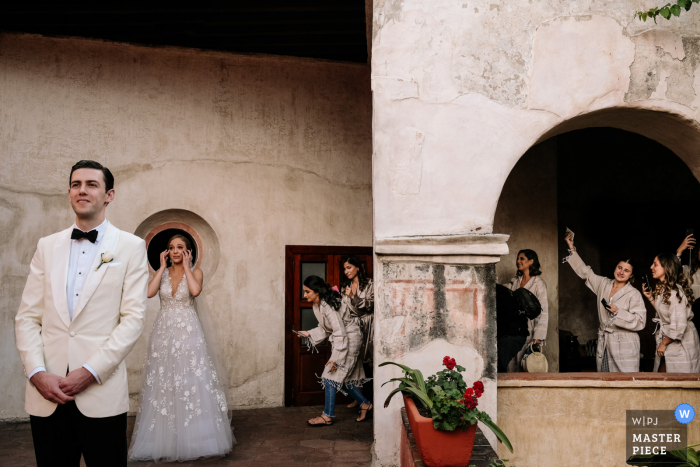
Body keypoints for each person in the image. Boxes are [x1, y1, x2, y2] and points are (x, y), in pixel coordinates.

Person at [15, 160, 149, 467]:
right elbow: (27, 317)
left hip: (99, 391)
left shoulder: (129, 247)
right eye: (76, 184)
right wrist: (36, 374)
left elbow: (132, 319)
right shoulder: (47, 246)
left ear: (109, 195)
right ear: (69, 192)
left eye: (92, 184)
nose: (82, 190)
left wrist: (90, 371)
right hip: (47, 392)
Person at [128, 234, 234, 461]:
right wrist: (160, 268)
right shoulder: (163, 273)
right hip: (164, 334)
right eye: (171, 248)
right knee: (165, 381)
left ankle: (195, 439)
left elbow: (195, 291)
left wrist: (186, 266)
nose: (175, 251)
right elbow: (148, 293)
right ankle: (166, 439)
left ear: (188, 251)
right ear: (166, 252)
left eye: (180, 247)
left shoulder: (196, 272)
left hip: (188, 333)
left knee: (190, 381)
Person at [564, 232, 646, 372]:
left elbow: (640, 321)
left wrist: (619, 312)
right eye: (619, 267)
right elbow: (586, 273)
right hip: (605, 341)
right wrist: (572, 248)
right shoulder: (603, 284)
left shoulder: (633, 294)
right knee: (605, 380)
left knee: (625, 383)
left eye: (626, 270)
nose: (621, 272)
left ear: (631, 275)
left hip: (625, 343)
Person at [297, 275, 372, 425]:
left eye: (307, 291)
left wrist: (335, 359)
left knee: (330, 375)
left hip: (350, 340)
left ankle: (327, 415)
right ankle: (365, 404)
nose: (305, 295)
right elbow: (326, 328)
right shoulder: (318, 305)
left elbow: (339, 332)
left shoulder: (329, 306)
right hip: (344, 339)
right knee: (343, 379)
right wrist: (310, 333)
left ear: (317, 291)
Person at [641, 253, 700, 373]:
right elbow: (666, 315)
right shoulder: (664, 288)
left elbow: (679, 327)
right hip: (670, 339)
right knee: (664, 376)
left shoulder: (675, 293)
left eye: (655, 264)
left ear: (666, 267)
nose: (651, 267)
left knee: (679, 380)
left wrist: (663, 343)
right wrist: (651, 298)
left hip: (680, 342)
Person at [339, 256, 374, 408]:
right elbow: (344, 308)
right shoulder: (344, 287)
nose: (346, 271)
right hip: (353, 327)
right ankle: (360, 398)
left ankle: (368, 400)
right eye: (344, 268)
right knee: (355, 363)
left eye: (349, 267)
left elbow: (371, 305)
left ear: (357, 267)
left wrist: (353, 297)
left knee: (369, 364)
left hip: (368, 327)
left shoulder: (370, 284)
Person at [506, 249, 549, 371]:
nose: (518, 261)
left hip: (530, 331)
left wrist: (538, 337)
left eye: (522, 258)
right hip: (514, 330)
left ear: (531, 261)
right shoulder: (515, 282)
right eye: (518, 258)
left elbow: (543, 311)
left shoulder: (538, 283)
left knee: (527, 367)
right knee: (511, 367)